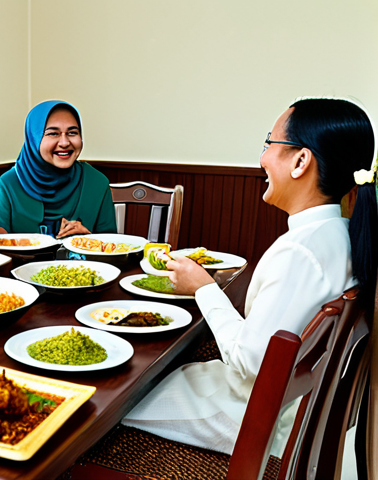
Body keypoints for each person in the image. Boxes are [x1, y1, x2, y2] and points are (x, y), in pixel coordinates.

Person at [123, 98, 378, 456]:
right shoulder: (345, 235)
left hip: (255, 421)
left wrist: (204, 289)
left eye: (268, 144)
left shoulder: (300, 253)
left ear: (301, 161)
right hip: (291, 407)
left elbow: (250, 361)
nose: (262, 158)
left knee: (113, 404)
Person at [0, 100, 117, 238]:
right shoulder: (8, 184)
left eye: (72, 133)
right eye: (53, 133)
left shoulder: (97, 183)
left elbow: (112, 249)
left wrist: (88, 240)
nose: (64, 143)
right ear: (34, 138)